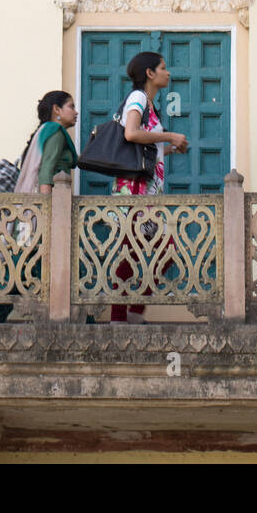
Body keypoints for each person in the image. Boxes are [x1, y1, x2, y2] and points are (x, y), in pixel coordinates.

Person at [0, 91, 77, 323]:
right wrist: (47, 211)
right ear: (57, 110)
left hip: (28, 211)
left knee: (26, 263)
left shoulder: (43, 132)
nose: (75, 112)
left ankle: (74, 319)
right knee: (20, 266)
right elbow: (46, 171)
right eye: (71, 106)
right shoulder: (56, 132)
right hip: (41, 211)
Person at [109, 51, 188, 323]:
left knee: (149, 253)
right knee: (150, 252)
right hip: (135, 194)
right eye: (163, 68)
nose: (168, 73)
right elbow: (131, 133)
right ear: (150, 74)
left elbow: (143, 145)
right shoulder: (139, 97)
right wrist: (170, 135)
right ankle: (123, 316)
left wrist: (169, 149)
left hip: (146, 193)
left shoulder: (149, 104)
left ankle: (129, 313)